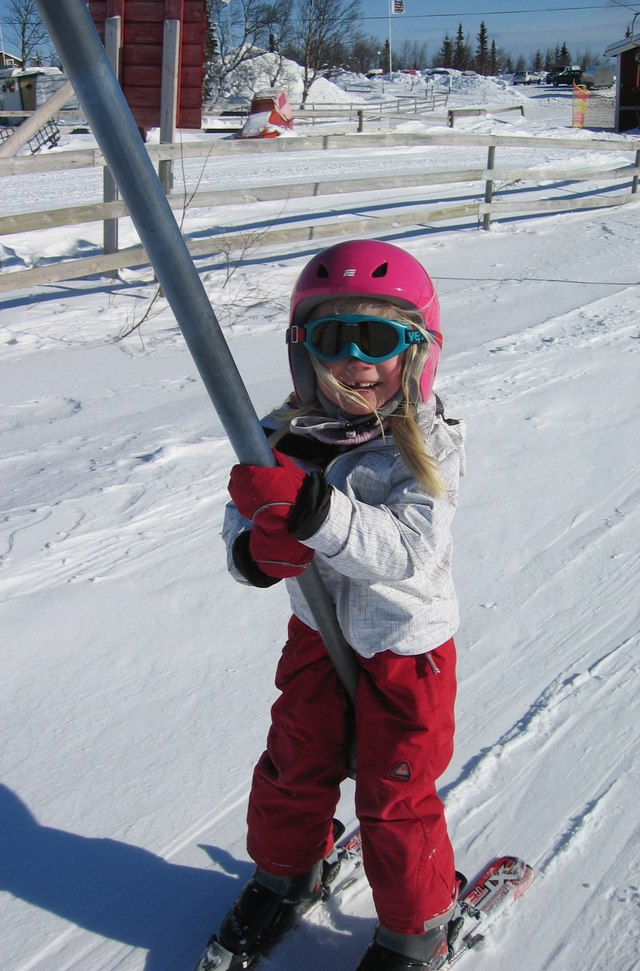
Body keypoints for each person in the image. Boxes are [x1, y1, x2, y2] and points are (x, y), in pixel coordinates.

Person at [218, 239, 466, 970]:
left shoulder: (428, 445)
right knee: (293, 762)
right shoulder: (279, 436)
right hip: (316, 640)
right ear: (305, 350)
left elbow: (410, 550)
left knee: (395, 795)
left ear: (416, 352)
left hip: (406, 651)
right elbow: (240, 518)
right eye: (333, 337)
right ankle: (285, 872)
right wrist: (254, 551)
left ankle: (417, 926)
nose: (354, 358)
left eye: (377, 338)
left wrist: (314, 512)